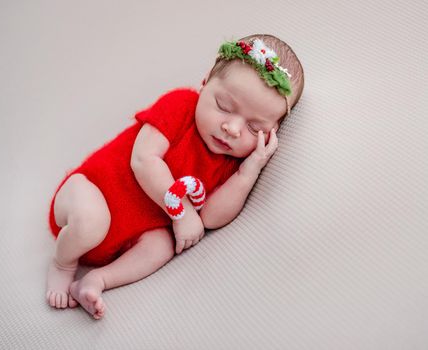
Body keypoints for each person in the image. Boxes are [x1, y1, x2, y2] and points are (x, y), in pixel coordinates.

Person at [46, 34, 305, 319]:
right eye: (224, 106)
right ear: (205, 82)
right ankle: (63, 264)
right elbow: (144, 160)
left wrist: (249, 170)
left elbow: (209, 218)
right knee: (92, 221)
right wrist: (180, 212)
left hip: (127, 238)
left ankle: (98, 279)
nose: (232, 128)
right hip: (87, 193)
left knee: (162, 245)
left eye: (255, 128)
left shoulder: (233, 161)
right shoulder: (181, 105)